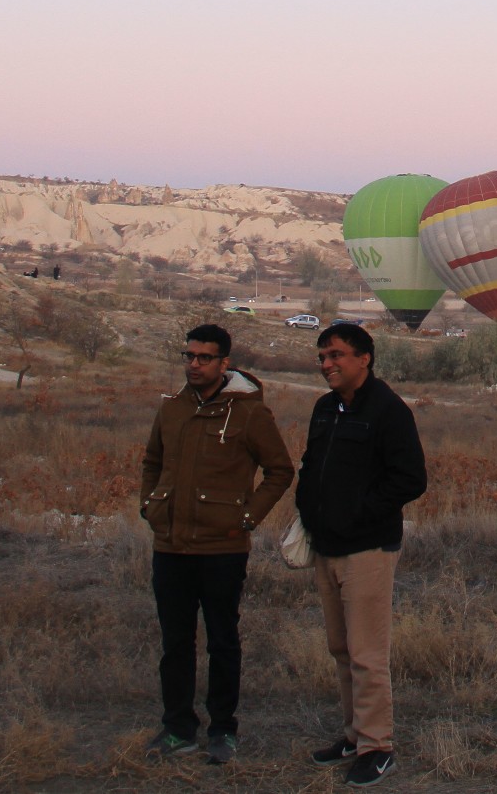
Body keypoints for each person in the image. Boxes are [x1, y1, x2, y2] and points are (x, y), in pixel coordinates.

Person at [138, 324, 293, 764]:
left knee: (223, 641)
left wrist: (246, 517)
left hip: (222, 549)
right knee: (175, 643)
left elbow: (280, 471)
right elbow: (152, 461)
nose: (194, 364)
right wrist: (150, 506)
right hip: (170, 547)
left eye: (204, 357)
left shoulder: (248, 413)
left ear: (225, 362)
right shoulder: (171, 409)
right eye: (189, 356)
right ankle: (178, 728)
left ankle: (223, 729)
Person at [298, 322, 428, 787]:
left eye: (335, 355)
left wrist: (358, 513)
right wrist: (307, 510)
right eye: (322, 357)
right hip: (326, 546)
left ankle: (378, 746)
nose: (327, 364)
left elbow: (411, 479)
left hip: (368, 548)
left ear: (364, 359)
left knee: (367, 652)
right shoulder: (324, 408)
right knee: (341, 648)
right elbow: (311, 464)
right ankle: (354, 736)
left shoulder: (388, 411)